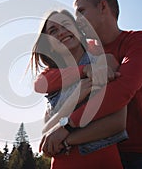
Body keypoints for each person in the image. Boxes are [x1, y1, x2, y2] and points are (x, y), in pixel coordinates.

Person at [39, 0, 142, 169]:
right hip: (94, 152)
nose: (76, 20)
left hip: (136, 155)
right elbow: (46, 86)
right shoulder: (87, 55)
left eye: (81, 11)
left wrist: (66, 129)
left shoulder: (138, 41)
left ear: (103, 7)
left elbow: (121, 91)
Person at [31, 9, 127, 168]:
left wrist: (65, 138)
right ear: (50, 45)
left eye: (66, 25)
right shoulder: (53, 80)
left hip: (101, 161)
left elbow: (117, 123)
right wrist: (76, 96)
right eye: (53, 31)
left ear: (79, 31)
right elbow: (47, 130)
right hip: (62, 163)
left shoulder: (105, 62)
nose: (62, 32)